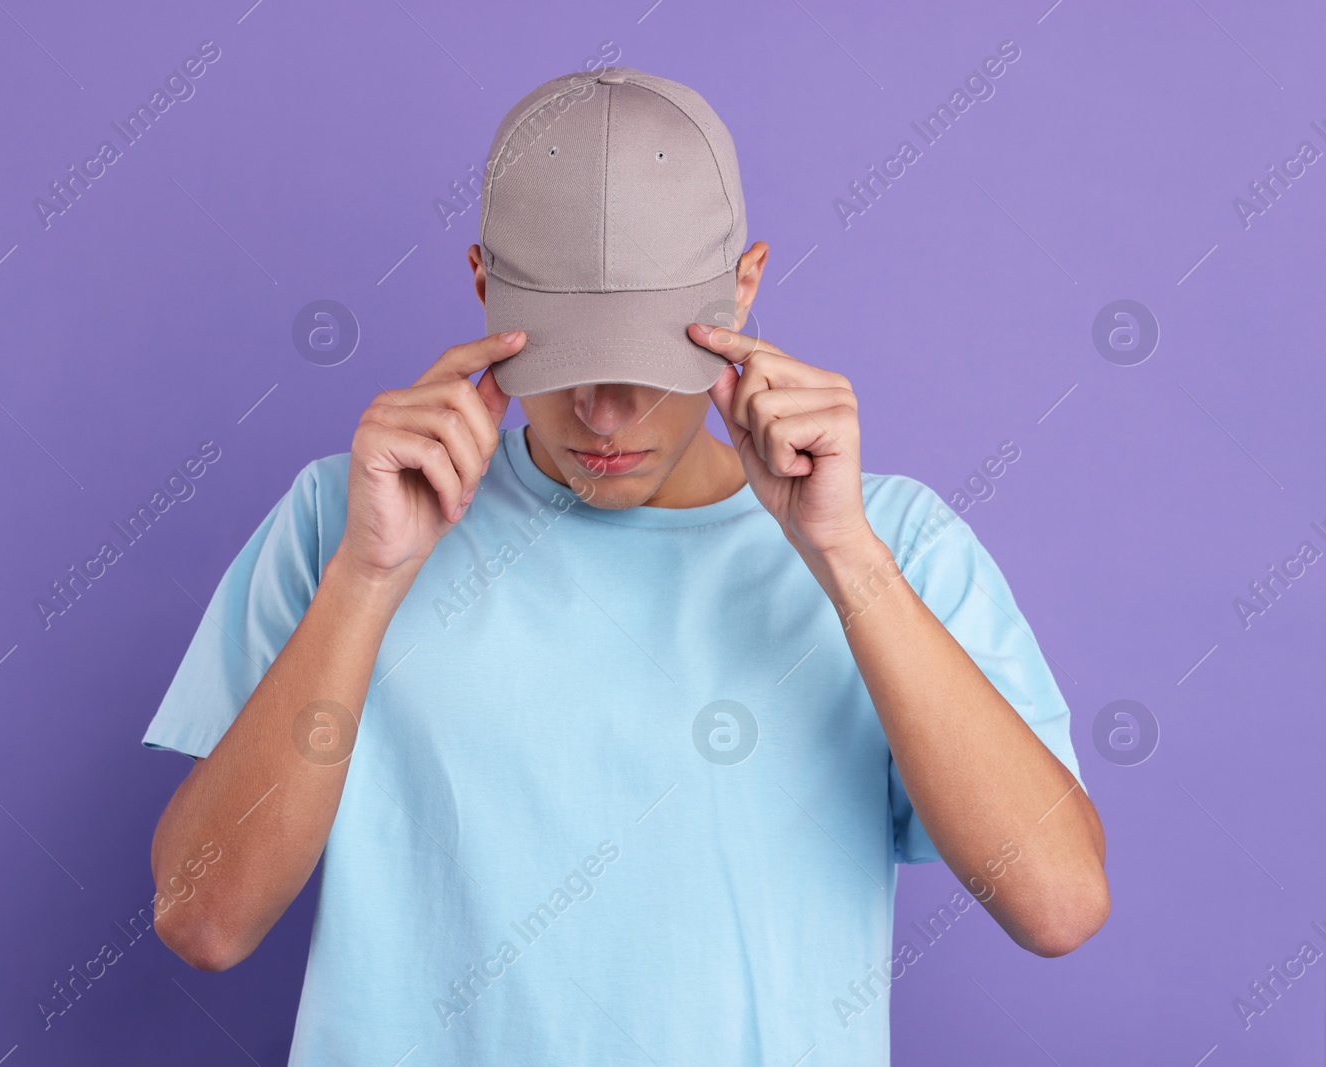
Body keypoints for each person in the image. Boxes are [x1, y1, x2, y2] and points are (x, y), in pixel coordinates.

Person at [142, 66, 1108, 1066]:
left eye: (646, 362)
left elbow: (1057, 902)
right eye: (560, 361)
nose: (604, 414)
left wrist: (845, 557)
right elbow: (203, 919)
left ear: (744, 287)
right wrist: (368, 577)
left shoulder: (894, 542)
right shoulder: (342, 521)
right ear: (480, 286)